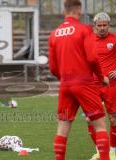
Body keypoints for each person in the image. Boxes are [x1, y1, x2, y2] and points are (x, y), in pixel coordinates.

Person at [48, 0, 110, 160]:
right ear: (79, 11)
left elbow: (53, 67)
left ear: (64, 12)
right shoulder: (84, 30)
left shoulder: (54, 34)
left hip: (65, 85)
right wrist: (100, 77)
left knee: (63, 127)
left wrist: (65, 79)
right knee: (100, 124)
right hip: (84, 83)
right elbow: (92, 58)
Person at [85, 12, 116, 160]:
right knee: (90, 119)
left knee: (114, 118)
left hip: (111, 86)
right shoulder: (88, 41)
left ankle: (112, 151)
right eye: (99, 26)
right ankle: (99, 152)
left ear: (109, 26)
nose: (102, 28)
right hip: (93, 86)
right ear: (95, 26)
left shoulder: (115, 40)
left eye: (105, 25)